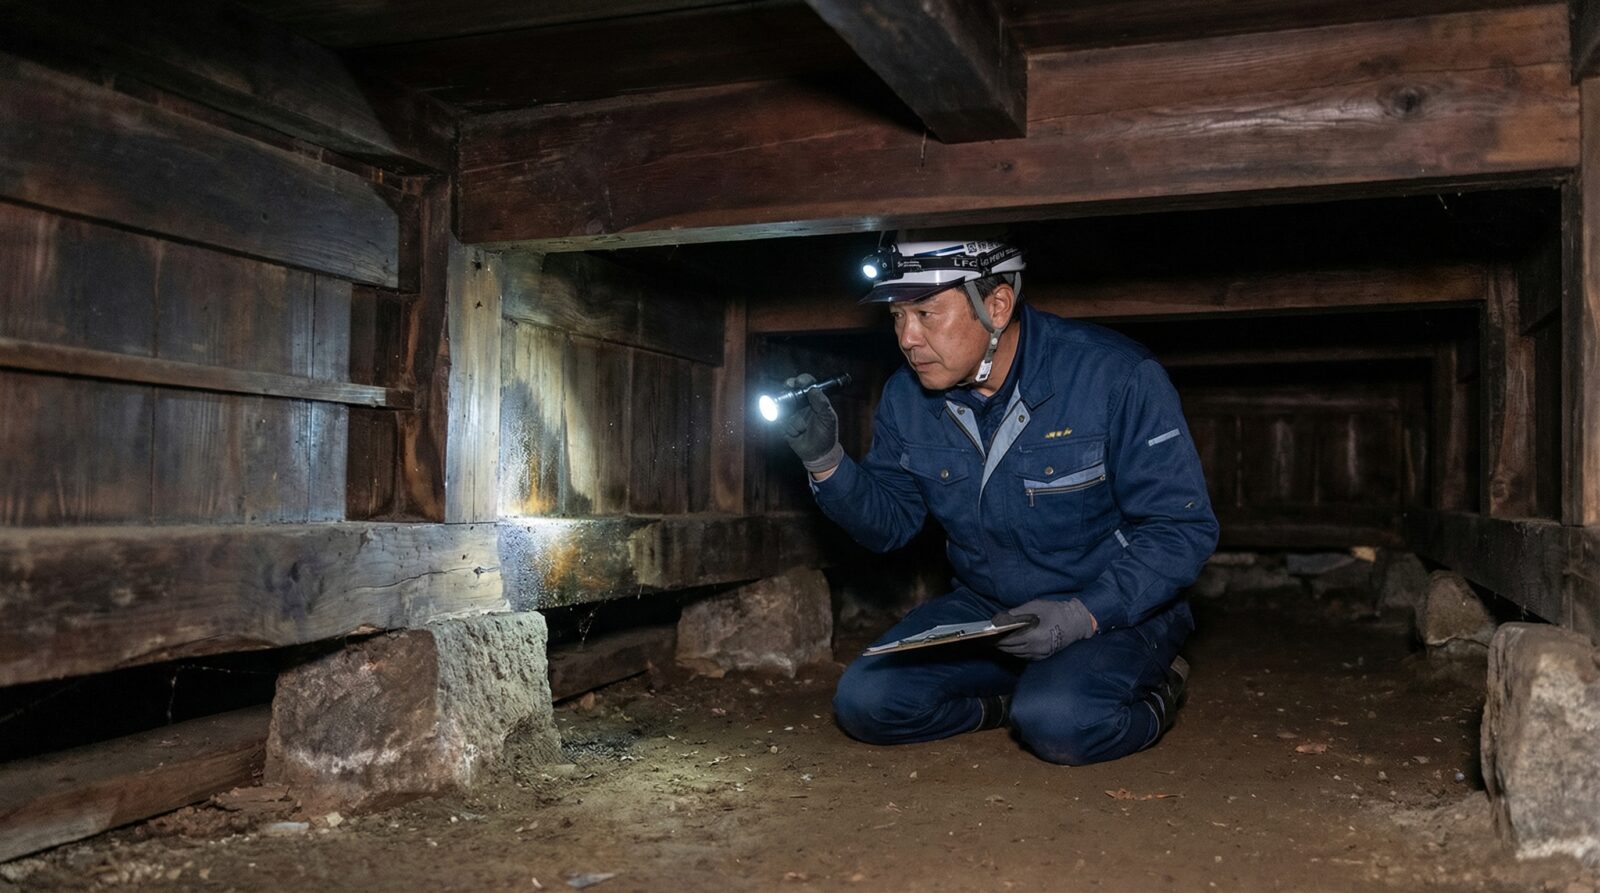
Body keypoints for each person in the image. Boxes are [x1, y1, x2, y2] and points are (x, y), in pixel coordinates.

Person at [781, 237, 1218, 765]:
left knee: (1064, 724)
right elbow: (889, 525)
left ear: (997, 305)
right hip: (992, 612)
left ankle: (1150, 687)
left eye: (925, 313)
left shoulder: (1114, 376)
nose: (907, 338)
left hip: (1111, 607)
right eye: (897, 317)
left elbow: (1181, 529)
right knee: (867, 702)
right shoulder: (906, 397)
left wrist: (1084, 615)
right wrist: (825, 461)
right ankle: (1014, 703)